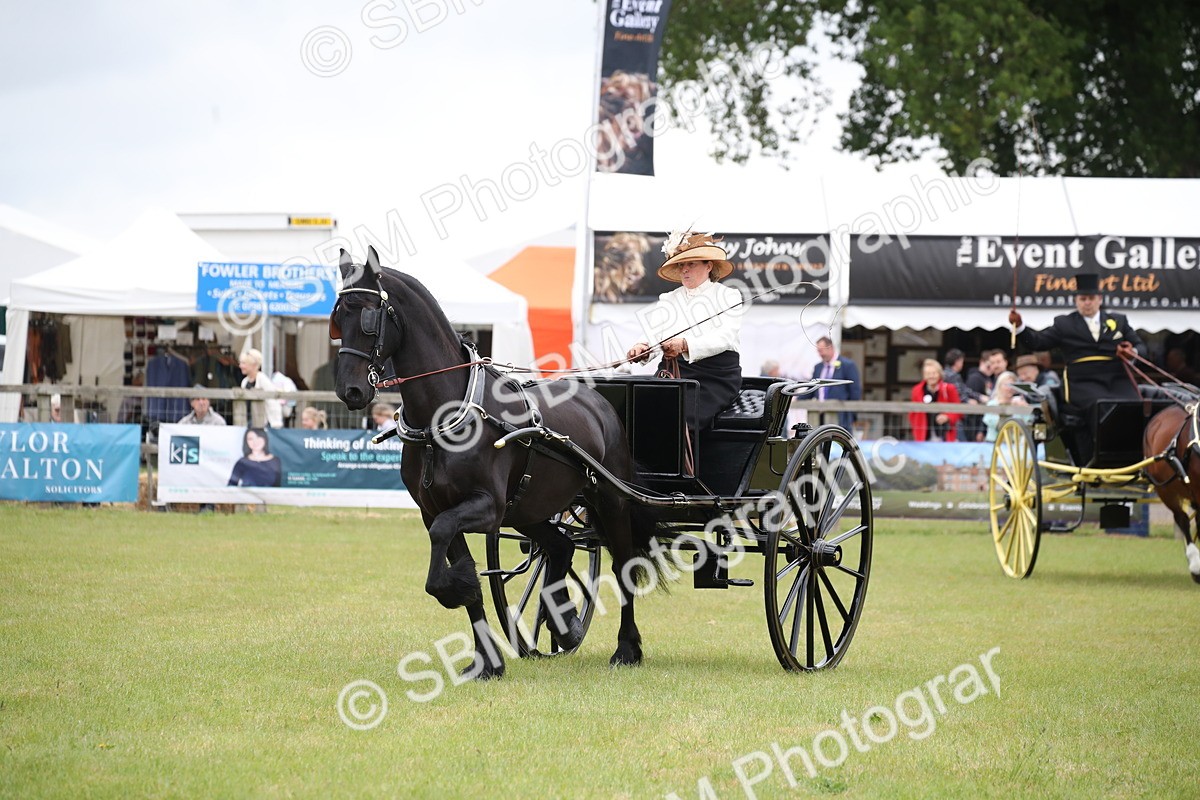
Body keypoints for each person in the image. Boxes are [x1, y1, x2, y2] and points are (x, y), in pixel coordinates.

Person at [1009, 271, 1145, 463]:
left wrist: (1133, 352)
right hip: (1082, 382)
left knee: (1134, 406)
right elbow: (1038, 342)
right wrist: (1021, 327)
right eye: (1082, 299)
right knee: (1101, 405)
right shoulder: (1064, 324)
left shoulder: (1119, 321)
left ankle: (1136, 456)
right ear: (1076, 301)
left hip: (1117, 379)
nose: (1087, 303)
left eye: (1091, 299)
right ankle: (1102, 458)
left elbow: (1140, 346)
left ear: (1099, 299)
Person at [625, 230, 743, 434]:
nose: (685, 270)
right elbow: (654, 334)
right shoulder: (668, 299)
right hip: (673, 373)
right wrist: (642, 347)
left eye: (691, 264)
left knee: (678, 419)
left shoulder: (728, 295)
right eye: (681, 265)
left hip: (715, 378)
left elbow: (724, 337)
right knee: (638, 413)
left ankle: (682, 455)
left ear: (708, 266)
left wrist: (686, 345)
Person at [810, 336, 861, 432]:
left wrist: (852, 415)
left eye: (821, 350)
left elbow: (855, 392)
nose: (820, 354)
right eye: (818, 351)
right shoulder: (818, 367)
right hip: (820, 416)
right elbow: (811, 389)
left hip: (842, 418)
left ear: (830, 348)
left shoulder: (848, 365)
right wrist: (795, 399)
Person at [908, 359, 962, 442]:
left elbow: (958, 410)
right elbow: (912, 413)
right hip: (923, 435)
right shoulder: (917, 390)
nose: (931, 376)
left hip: (944, 435)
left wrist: (947, 417)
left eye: (934, 373)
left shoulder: (949, 389)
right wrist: (916, 427)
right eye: (928, 374)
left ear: (939, 374)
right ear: (924, 375)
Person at [238, 348, 283, 429]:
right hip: (249, 421)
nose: (241, 366)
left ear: (254, 365)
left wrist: (275, 423)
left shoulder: (262, 379)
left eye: (244, 363)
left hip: (264, 422)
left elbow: (272, 401)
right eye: (241, 363)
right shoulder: (244, 382)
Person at [983, 371, 1029, 442]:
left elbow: (1027, 423)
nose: (1009, 388)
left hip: (1015, 443)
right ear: (999, 386)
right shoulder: (992, 403)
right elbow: (992, 422)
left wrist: (1025, 407)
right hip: (994, 442)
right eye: (1006, 385)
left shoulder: (1019, 402)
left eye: (1012, 385)